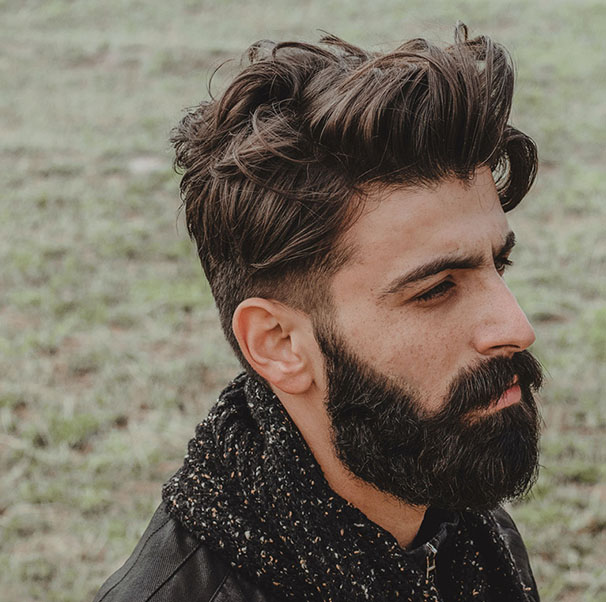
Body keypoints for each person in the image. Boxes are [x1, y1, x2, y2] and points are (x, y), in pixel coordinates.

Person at [93, 22, 544, 602]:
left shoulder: (456, 515)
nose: (517, 328)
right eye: (435, 290)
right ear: (279, 343)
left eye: (498, 265)